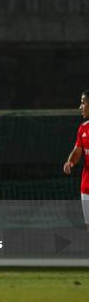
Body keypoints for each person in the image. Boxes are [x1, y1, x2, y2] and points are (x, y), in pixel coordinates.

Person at [64, 89, 89, 231]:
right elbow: (77, 151)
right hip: (87, 187)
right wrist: (70, 162)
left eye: (83, 103)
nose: (80, 107)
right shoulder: (83, 129)